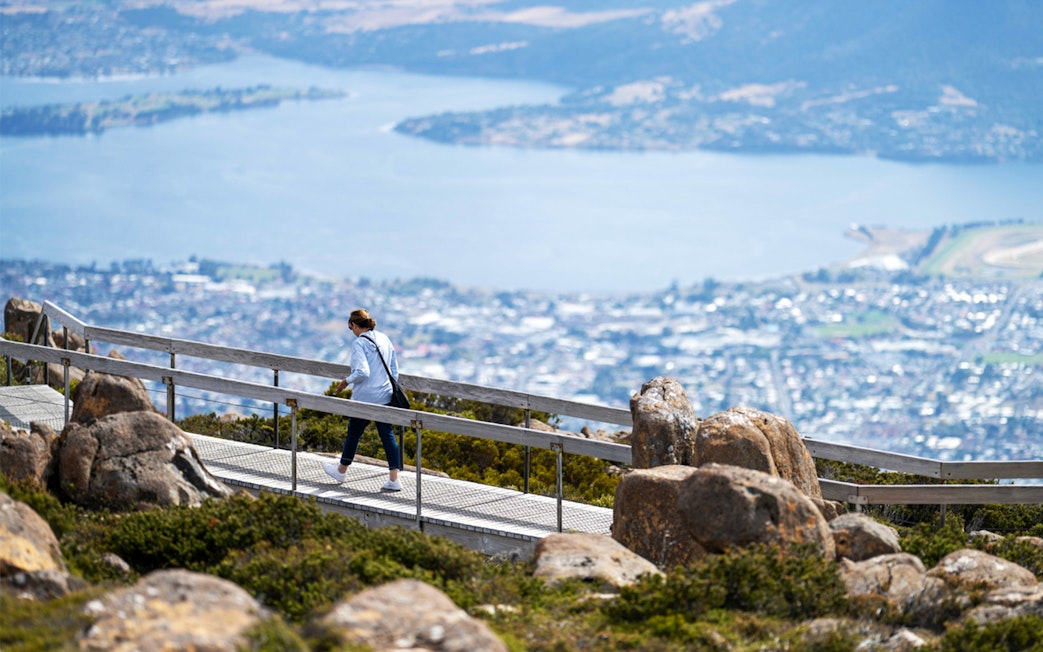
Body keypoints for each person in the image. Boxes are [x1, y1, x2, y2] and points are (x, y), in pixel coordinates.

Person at [322, 308, 403, 492]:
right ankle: (394, 479)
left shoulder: (359, 343)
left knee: (354, 433)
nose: (352, 332)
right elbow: (394, 370)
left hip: (365, 398)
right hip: (384, 394)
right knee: (387, 435)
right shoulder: (384, 338)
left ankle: (341, 471)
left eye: (351, 328)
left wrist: (346, 381)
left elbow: (362, 372)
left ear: (355, 325)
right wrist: (387, 389)